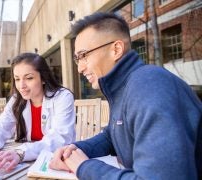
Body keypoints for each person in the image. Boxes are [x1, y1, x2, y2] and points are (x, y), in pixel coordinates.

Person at [49, 12, 202, 180]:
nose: (80, 68)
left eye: (83, 55)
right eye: (77, 59)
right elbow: (113, 135)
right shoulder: (125, 87)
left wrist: (84, 167)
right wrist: (75, 149)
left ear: (116, 49)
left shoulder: (149, 85)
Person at [0, 52, 76, 173]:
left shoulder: (63, 97)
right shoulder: (16, 100)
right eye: (17, 79)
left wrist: (21, 152)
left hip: (58, 161)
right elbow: (1, 126)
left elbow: (60, 138)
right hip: (29, 161)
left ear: (43, 78)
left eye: (29, 78)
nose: (21, 85)